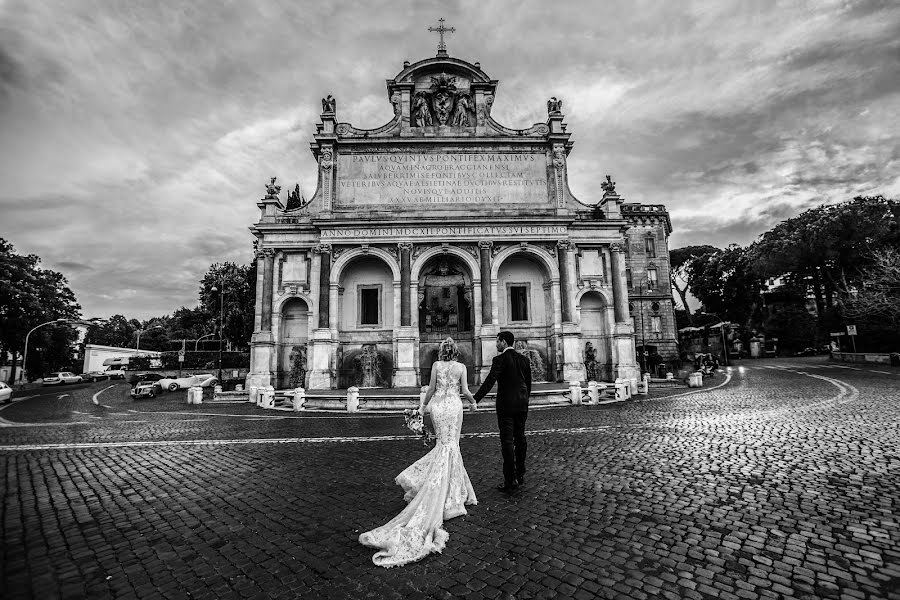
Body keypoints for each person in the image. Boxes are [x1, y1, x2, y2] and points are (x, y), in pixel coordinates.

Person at [359, 337, 478, 567]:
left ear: (442, 352)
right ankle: (454, 494)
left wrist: (422, 409)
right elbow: (464, 390)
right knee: (453, 446)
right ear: (456, 353)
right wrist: (473, 402)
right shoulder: (461, 368)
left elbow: (432, 389)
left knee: (442, 445)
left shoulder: (435, 366)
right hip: (454, 406)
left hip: (438, 408)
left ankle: (444, 489)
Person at [472, 331, 532, 493]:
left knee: (507, 441)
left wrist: (475, 399)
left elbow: (490, 381)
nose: (496, 344)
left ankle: (510, 479)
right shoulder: (524, 359)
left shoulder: (499, 360)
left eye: (497, 342)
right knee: (520, 438)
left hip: (505, 405)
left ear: (504, 342)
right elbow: (528, 383)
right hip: (521, 404)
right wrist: (525, 399)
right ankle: (520, 474)